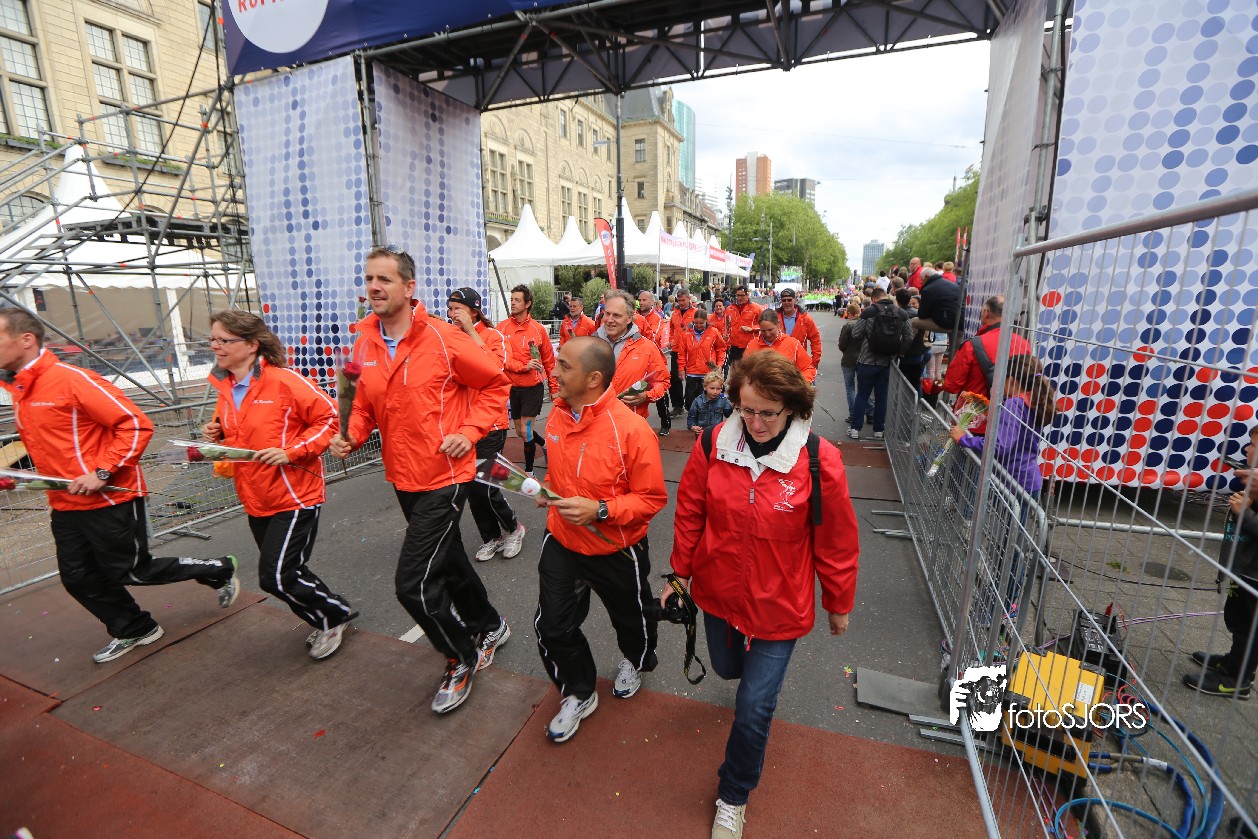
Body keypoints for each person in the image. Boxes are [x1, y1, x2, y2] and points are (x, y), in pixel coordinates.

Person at [669, 351, 860, 839]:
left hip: (780, 605)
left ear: (792, 408)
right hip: (718, 592)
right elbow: (690, 510)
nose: (754, 423)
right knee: (727, 669)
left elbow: (836, 541)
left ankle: (733, 795)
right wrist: (680, 574)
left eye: (768, 413)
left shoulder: (818, 460)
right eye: (746, 409)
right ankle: (746, 678)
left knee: (754, 706)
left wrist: (838, 603)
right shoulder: (713, 443)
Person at [330, 247, 512, 714]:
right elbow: (359, 406)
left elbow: (495, 385)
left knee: (412, 584)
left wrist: (469, 432)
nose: (374, 287)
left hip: (445, 475)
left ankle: (461, 655)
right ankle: (489, 624)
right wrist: (349, 435)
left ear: (409, 288)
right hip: (402, 475)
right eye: (369, 279)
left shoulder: (445, 338)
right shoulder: (362, 342)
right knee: (447, 559)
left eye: (384, 279)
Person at [0, 308, 238, 664]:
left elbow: (136, 424)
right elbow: (53, 445)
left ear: (26, 340)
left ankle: (217, 568)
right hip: (65, 503)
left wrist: (102, 471)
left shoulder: (72, 380)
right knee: (78, 578)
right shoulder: (20, 388)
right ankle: (135, 628)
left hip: (111, 498)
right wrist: (20, 479)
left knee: (132, 570)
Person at [535, 336, 667, 743]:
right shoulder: (557, 416)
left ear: (593, 379)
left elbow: (651, 499)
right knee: (551, 627)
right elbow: (559, 471)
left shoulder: (633, 429)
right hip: (562, 540)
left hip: (617, 549)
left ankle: (637, 660)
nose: (554, 371)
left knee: (632, 620)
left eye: (564, 365)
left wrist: (601, 510)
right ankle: (578, 690)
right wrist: (548, 488)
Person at [201, 310, 355, 659]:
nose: (215, 346)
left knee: (276, 577)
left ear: (252, 344)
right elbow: (243, 432)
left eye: (224, 340)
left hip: (295, 495)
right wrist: (218, 433)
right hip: (256, 495)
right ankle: (328, 616)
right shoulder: (226, 385)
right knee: (287, 572)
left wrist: (291, 451)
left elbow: (331, 419)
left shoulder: (283, 381)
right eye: (212, 340)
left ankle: (335, 615)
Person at [448, 287, 527, 563]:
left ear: (474, 311)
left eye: (458, 309)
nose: (452, 314)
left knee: (487, 484)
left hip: (491, 423)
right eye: (450, 309)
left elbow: (495, 368)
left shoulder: (493, 336)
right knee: (471, 487)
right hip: (462, 425)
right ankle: (492, 536)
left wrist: (471, 333)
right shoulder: (450, 337)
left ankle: (514, 528)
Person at [1186, 425, 1258, 700]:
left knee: (1249, 626)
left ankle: (1237, 679)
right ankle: (1234, 661)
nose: (1247, 449)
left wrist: (1245, 513)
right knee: (1237, 618)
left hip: (1254, 575)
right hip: (1242, 569)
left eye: (1253, 445)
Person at [943, 295, 1031, 435]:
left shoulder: (972, 345)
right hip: (1009, 422)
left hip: (972, 421)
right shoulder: (1024, 344)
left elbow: (951, 385)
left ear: (986, 313)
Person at [497, 284, 557, 475]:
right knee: (519, 431)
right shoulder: (502, 327)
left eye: (517, 300)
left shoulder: (538, 329)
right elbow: (502, 359)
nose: (513, 303)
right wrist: (524, 366)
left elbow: (549, 361)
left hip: (533, 388)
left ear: (527, 304)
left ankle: (529, 473)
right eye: (512, 299)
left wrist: (554, 389)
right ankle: (544, 444)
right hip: (513, 389)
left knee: (526, 430)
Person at [597, 290, 670, 431]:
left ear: (629, 318)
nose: (610, 319)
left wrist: (646, 395)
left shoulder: (647, 348)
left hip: (631, 426)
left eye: (617, 315)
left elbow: (662, 382)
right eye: (607, 313)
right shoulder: (590, 345)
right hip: (595, 425)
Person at [847, 288, 913, 440]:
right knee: (882, 397)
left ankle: (855, 428)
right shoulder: (901, 313)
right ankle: (878, 430)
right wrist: (899, 352)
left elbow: (856, 334)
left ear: (874, 299)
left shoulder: (869, 312)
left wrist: (867, 339)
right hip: (887, 362)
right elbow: (909, 337)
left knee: (862, 395)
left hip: (867, 360)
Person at [674, 306, 729, 412]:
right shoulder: (686, 334)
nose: (699, 325)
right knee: (689, 403)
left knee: (706, 402)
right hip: (692, 372)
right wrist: (681, 368)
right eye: (696, 323)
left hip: (708, 373)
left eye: (701, 323)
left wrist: (719, 364)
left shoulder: (714, 332)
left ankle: (704, 419)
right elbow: (681, 353)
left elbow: (721, 349)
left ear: (706, 321)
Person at [744, 310, 816, 383]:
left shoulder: (793, 344)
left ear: (778, 325)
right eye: (763, 331)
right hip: (760, 388)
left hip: (786, 388)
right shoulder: (752, 345)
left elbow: (808, 368)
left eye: (770, 330)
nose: (767, 334)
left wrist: (802, 383)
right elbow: (744, 371)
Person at [667, 290, 699, 417]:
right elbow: (671, 329)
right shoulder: (675, 313)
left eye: (683, 300)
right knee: (674, 378)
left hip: (692, 350)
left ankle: (693, 405)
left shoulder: (696, 313)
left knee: (692, 379)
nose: (681, 303)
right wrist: (671, 340)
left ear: (689, 299)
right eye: (679, 300)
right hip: (676, 350)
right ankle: (677, 406)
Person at [895, 289, 931, 400]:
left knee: (904, 383)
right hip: (918, 352)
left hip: (905, 353)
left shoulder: (898, 314)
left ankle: (905, 405)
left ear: (897, 300)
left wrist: (900, 352)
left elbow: (906, 338)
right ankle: (917, 405)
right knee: (916, 382)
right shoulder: (919, 314)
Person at [775, 288, 823, 371]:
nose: (786, 303)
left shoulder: (805, 318)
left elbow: (815, 339)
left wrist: (815, 361)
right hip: (778, 363)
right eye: (784, 300)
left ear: (795, 300)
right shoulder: (774, 317)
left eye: (789, 300)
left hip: (799, 363)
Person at [837, 303, 865, 423]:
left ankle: (853, 414)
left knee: (850, 388)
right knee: (864, 387)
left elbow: (842, 344)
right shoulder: (865, 324)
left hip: (849, 358)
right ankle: (869, 412)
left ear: (849, 313)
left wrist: (845, 350)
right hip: (863, 358)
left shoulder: (848, 326)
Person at [725, 284, 763, 372]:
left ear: (747, 295)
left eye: (742, 295)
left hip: (750, 346)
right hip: (734, 347)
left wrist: (752, 328)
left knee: (750, 372)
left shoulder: (756, 308)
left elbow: (764, 324)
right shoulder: (729, 308)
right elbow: (726, 325)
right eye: (738, 295)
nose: (739, 298)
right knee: (735, 373)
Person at [687, 370, 733, 435]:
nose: (715, 392)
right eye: (712, 388)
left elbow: (729, 414)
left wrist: (733, 404)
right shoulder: (697, 401)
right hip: (701, 433)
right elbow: (691, 418)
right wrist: (692, 426)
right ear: (705, 387)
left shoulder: (723, 400)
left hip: (716, 433)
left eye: (718, 389)